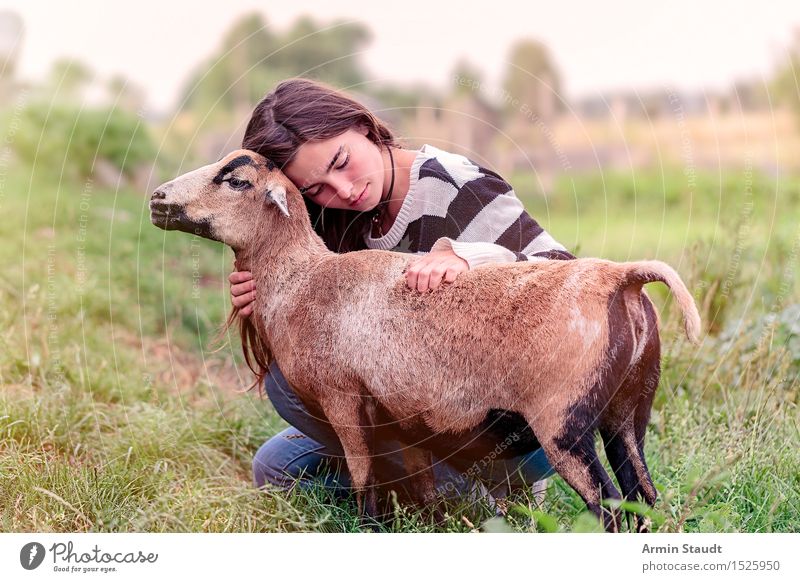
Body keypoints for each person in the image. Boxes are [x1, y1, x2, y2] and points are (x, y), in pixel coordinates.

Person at [231, 77, 575, 510]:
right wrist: (270, 301)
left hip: (510, 425)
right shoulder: (332, 219)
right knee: (278, 465)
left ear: (363, 126)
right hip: (411, 414)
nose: (344, 191)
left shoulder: (455, 186)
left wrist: (474, 259)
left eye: (342, 161)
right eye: (316, 188)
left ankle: (479, 493)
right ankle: (433, 492)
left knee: (294, 401)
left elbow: (567, 277)